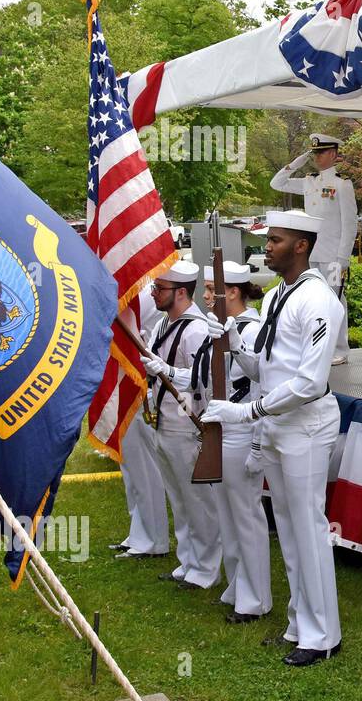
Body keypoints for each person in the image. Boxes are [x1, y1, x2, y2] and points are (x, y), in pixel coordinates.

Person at [201, 210, 346, 666]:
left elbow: (308, 382)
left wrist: (247, 412)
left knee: (308, 528)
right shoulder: (280, 295)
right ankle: (299, 623)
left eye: (277, 240)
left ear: (301, 246)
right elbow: (264, 366)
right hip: (280, 425)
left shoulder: (318, 299)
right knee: (286, 527)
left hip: (306, 423)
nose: (268, 245)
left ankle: (323, 636)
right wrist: (234, 339)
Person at [192, 261, 272, 623]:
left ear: (232, 293)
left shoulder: (251, 331)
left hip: (241, 429)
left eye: (211, 290)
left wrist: (257, 444)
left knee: (246, 518)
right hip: (220, 429)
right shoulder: (218, 327)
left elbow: (259, 385)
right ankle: (239, 586)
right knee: (228, 516)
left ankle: (255, 599)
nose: (206, 296)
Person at [141, 261, 223, 587]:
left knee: (198, 502)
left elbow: (204, 378)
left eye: (159, 289)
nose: (153, 293)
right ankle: (187, 561)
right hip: (163, 422)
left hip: (185, 425)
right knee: (177, 498)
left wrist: (165, 369)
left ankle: (206, 569)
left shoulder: (196, 329)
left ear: (180, 292)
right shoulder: (164, 323)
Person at [271, 133, 357, 365]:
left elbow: (350, 223)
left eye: (320, 153)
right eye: (314, 153)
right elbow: (277, 183)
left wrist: (343, 258)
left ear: (332, 154)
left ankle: (340, 349)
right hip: (311, 254)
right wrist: (298, 161)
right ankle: (319, 347)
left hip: (332, 254)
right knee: (313, 300)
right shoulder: (309, 181)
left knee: (335, 300)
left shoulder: (342, 184)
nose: (316, 157)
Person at [111, 283, 170, 559]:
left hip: (140, 386)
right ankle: (139, 533)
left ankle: (153, 539)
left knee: (143, 468)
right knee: (130, 467)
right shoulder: (135, 285)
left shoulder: (141, 289)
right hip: (126, 382)